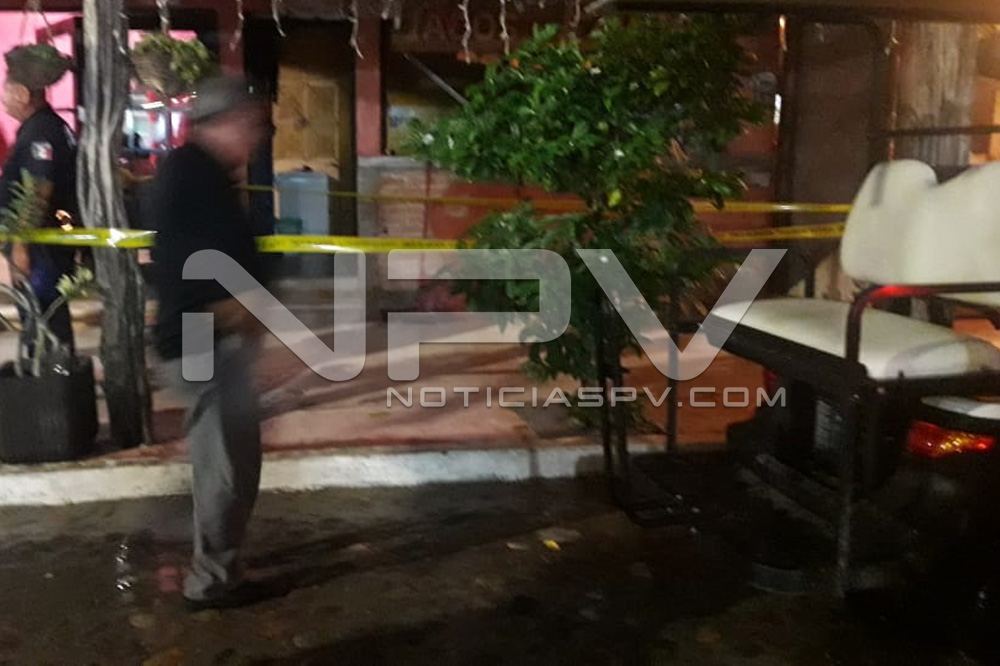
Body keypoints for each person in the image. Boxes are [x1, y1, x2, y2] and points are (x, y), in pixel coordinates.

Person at [148, 76, 273, 611]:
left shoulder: (208, 173)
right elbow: (184, 262)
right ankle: (212, 582)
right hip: (201, 333)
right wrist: (231, 308)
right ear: (222, 122)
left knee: (233, 460)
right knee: (224, 466)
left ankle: (223, 565)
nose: (258, 136)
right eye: (252, 124)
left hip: (213, 333)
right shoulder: (189, 173)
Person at [0, 65, 78, 354]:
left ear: (22, 94)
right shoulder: (49, 126)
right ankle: (50, 368)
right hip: (47, 241)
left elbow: (38, 190)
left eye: (6, 93)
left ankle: (51, 372)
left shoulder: (40, 132)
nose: (3, 100)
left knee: (42, 315)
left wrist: (21, 245)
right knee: (44, 315)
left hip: (40, 246)